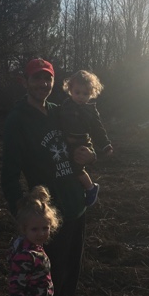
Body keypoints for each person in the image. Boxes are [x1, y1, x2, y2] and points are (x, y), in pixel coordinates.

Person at [1, 58, 96, 296]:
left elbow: (85, 138)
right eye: (36, 79)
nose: (43, 84)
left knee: (68, 277)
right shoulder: (18, 120)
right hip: (48, 216)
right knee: (45, 281)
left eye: (47, 79)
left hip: (75, 205)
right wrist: (23, 213)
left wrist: (89, 153)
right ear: (25, 81)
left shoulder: (61, 111)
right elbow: (9, 174)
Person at [60, 70, 113, 207]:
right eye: (77, 92)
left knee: (76, 167)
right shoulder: (65, 106)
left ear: (92, 93)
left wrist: (105, 145)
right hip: (67, 142)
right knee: (66, 166)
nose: (81, 97)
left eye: (85, 94)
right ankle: (78, 188)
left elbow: (97, 129)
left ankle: (91, 187)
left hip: (83, 142)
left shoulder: (90, 110)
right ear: (70, 90)